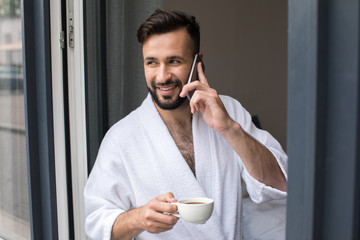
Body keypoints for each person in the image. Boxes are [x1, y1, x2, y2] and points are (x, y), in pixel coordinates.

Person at [84, 9, 288, 240]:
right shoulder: (121, 137)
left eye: (174, 61)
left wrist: (229, 128)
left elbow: (279, 184)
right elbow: (96, 222)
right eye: (152, 62)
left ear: (197, 62)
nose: (162, 76)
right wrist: (139, 218)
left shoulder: (229, 111)